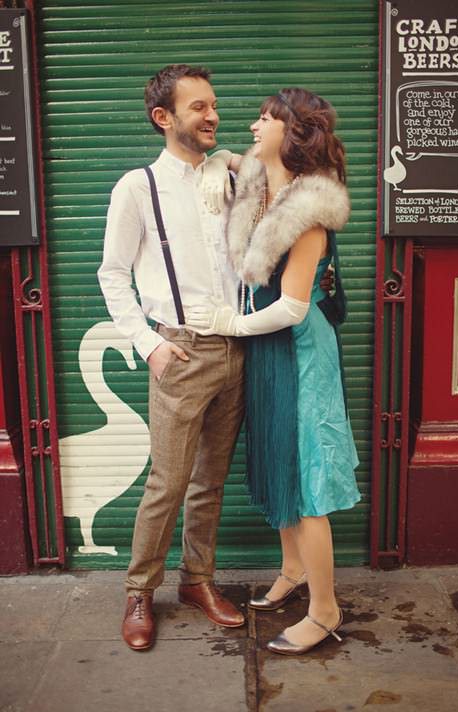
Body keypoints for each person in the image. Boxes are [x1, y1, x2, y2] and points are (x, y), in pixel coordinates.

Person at [186, 88, 361, 655]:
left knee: (306, 481)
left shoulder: (306, 212)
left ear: (294, 135)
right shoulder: (266, 188)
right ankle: (294, 569)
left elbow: (292, 307)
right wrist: (213, 157)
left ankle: (326, 609)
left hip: (300, 355)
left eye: (267, 118)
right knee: (280, 462)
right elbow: (227, 155)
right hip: (270, 348)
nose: (254, 125)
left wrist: (227, 325)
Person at [98, 64, 248, 650]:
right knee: (168, 482)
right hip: (180, 352)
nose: (212, 115)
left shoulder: (228, 178)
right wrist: (151, 345)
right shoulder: (138, 187)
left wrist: (242, 164)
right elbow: (112, 275)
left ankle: (198, 581)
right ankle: (140, 590)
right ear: (164, 118)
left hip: (237, 348)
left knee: (210, 482)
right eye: (198, 108)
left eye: (214, 105)